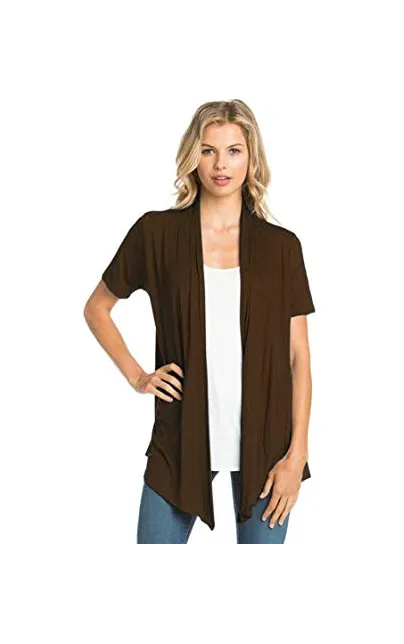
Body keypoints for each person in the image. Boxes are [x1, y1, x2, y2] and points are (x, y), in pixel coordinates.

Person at [84, 99, 315, 544]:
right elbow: (97, 308)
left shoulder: (282, 247)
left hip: (268, 451)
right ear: (193, 156)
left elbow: (298, 357)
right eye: (208, 150)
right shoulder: (156, 233)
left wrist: (296, 455)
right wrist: (138, 376)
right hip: (180, 440)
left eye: (234, 151)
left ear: (251, 158)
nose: (220, 164)